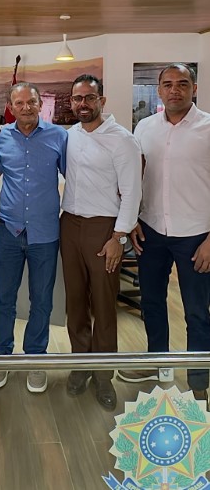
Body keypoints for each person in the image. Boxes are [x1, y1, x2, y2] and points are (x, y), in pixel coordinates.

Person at [117, 64, 210, 407]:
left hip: (196, 236)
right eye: (168, 84)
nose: (175, 90)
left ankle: (199, 381)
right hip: (151, 232)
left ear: (194, 88)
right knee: (152, 303)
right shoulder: (144, 127)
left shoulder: (207, 128)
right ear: (158, 90)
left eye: (182, 84)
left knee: (197, 311)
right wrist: (132, 219)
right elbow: (133, 177)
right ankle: (160, 364)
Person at [0, 83, 67, 393]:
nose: (26, 107)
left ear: (40, 104)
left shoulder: (59, 137)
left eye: (31, 102)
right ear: (11, 107)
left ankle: (35, 358)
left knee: (41, 300)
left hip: (45, 233)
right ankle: (2, 355)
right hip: (9, 231)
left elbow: (75, 177)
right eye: (19, 103)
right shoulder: (2, 138)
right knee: (4, 298)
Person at [60, 74, 141, 410]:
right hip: (70, 224)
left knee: (105, 304)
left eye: (89, 98)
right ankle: (81, 366)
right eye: (77, 98)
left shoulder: (122, 140)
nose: (83, 104)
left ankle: (104, 375)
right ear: (71, 102)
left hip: (104, 229)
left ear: (101, 101)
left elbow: (132, 192)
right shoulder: (69, 136)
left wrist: (118, 237)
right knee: (76, 302)